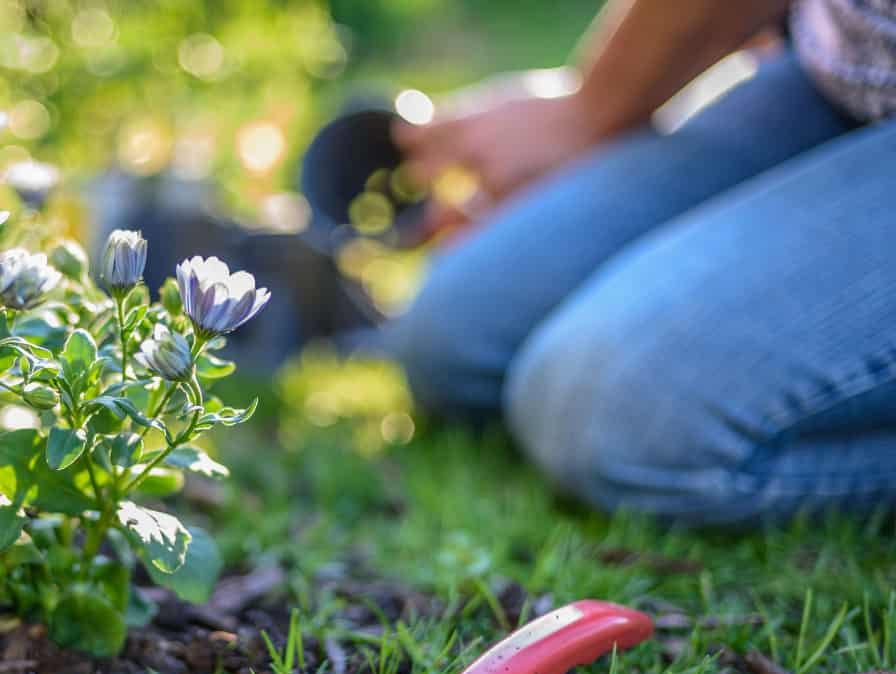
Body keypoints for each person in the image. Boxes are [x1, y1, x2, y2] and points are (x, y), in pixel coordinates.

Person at [384, 0, 896, 525]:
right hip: (837, 75)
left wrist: (589, 112)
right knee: (454, 333)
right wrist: (587, 114)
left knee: (618, 419)